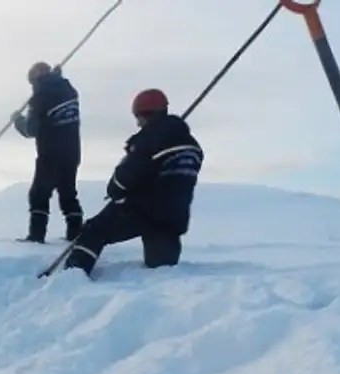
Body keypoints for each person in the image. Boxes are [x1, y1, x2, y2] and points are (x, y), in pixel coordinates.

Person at [64, 88, 204, 276]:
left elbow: (126, 176)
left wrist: (115, 189)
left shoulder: (150, 139)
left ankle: (73, 275)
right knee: (162, 269)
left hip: (142, 209)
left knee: (94, 230)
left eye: (137, 117)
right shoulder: (192, 147)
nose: (138, 123)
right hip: (174, 216)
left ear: (144, 114)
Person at [11, 61, 84, 243]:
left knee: (39, 194)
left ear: (36, 79)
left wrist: (17, 120)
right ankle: (75, 234)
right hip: (72, 152)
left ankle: (36, 236)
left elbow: (31, 130)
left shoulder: (40, 97)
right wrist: (57, 76)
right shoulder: (69, 90)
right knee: (68, 193)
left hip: (50, 153)